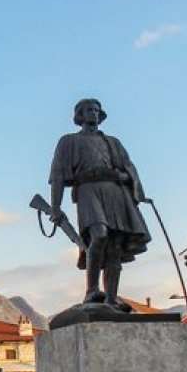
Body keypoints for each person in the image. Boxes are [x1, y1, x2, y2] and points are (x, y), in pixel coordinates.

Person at [48, 98, 151, 309]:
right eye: (88, 110)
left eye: (96, 110)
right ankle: (92, 290)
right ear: (79, 115)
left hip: (115, 191)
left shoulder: (112, 142)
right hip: (88, 189)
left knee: (114, 245)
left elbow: (129, 168)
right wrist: (55, 207)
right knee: (100, 234)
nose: (93, 113)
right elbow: (57, 174)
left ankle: (111, 297)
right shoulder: (68, 141)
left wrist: (124, 178)